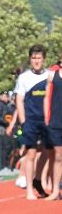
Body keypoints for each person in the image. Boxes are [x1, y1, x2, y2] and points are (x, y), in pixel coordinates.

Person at [15, 44, 53, 200]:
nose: (36, 61)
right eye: (33, 58)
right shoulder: (24, 77)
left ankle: (38, 179)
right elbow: (19, 100)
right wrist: (23, 121)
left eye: (39, 58)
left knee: (48, 152)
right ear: (30, 59)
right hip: (30, 120)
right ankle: (29, 189)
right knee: (30, 154)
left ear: (43, 59)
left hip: (48, 120)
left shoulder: (50, 75)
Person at [44, 63, 62, 200]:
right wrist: (46, 118)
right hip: (56, 121)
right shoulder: (52, 75)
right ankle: (55, 190)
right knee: (58, 156)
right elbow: (46, 98)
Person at [0, 90, 14, 171]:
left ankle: (5, 164)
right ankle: (0, 166)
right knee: (2, 147)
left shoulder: (6, 105)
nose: (7, 98)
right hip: (1, 128)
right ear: (1, 96)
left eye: (7, 96)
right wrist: (7, 122)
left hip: (5, 127)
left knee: (7, 146)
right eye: (5, 96)